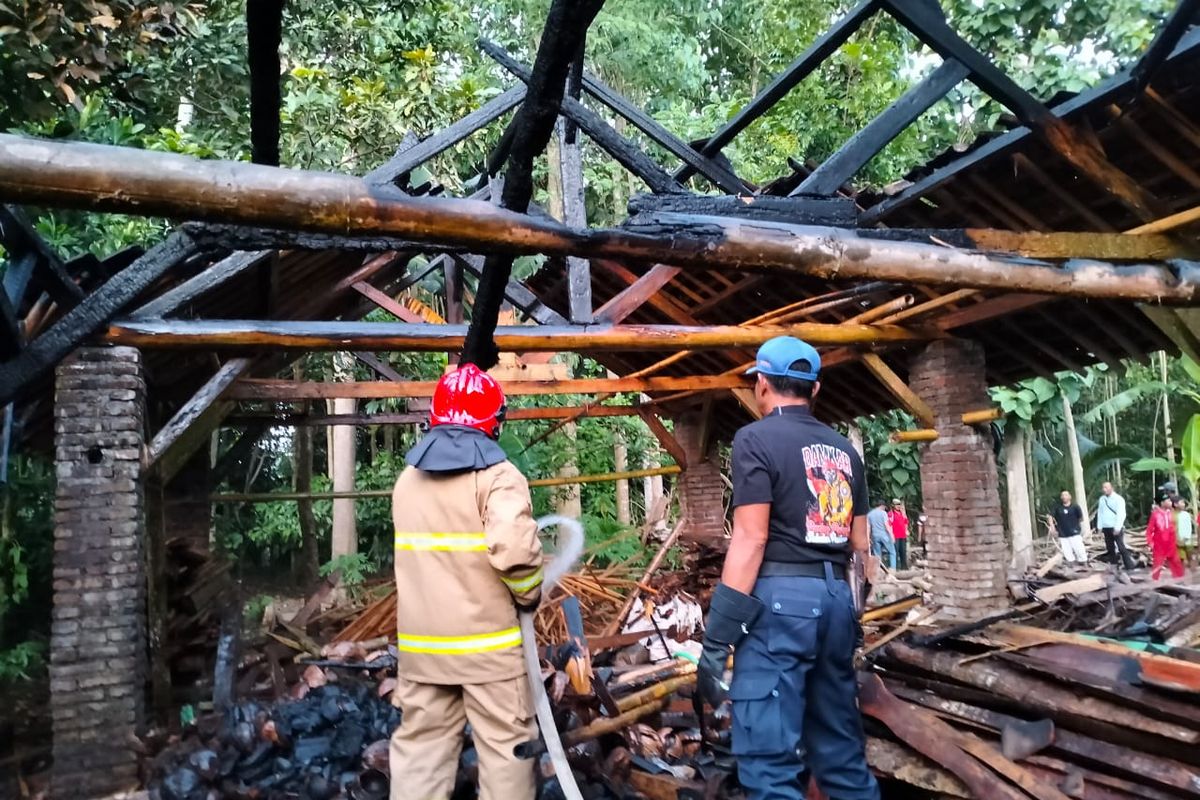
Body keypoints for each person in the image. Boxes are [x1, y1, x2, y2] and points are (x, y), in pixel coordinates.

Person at [696, 336, 879, 800]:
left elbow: (752, 537)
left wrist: (717, 640)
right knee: (840, 751)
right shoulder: (844, 451)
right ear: (814, 389)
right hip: (837, 598)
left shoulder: (754, 440)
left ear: (761, 384)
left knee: (770, 763)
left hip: (781, 605)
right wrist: (850, 616)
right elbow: (861, 547)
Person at [388, 364, 545, 800]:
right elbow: (516, 555)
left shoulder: (407, 482)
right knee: (505, 750)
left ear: (435, 418)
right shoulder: (498, 478)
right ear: (494, 420)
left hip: (422, 651)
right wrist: (529, 594)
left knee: (421, 750)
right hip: (488, 652)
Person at [1096, 482, 1135, 571]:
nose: (1104, 489)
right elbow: (1100, 513)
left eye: (1106, 487)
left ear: (1111, 488)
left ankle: (1130, 566)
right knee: (1110, 547)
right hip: (1106, 526)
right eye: (1103, 487)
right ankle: (1114, 565)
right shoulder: (1102, 499)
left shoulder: (1118, 499)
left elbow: (1121, 514)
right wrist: (1099, 527)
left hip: (1115, 526)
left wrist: (1117, 527)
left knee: (1121, 547)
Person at [1146, 491, 1185, 581]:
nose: (1170, 502)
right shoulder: (1155, 514)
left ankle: (1180, 580)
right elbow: (1149, 530)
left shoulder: (1172, 513)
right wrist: (1150, 542)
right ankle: (1155, 582)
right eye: (1168, 501)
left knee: (1176, 563)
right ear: (1162, 503)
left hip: (1171, 543)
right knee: (1157, 564)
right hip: (1159, 544)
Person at [1049, 490, 1087, 566]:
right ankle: (1071, 563)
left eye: (1066, 495)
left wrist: (1074, 524)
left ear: (1070, 497)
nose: (1064, 497)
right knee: (1066, 550)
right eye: (1062, 495)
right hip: (1062, 532)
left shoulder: (1075, 506)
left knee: (1079, 548)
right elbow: (1050, 517)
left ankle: (1083, 561)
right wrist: (1052, 527)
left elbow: (1081, 518)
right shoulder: (1057, 507)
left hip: (1074, 531)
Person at [867, 499, 895, 570]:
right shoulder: (883, 513)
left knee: (877, 555)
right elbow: (887, 525)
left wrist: (868, 538)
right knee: (892, 552)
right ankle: (892, 569)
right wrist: (892, 535)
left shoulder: (870, 514)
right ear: (882, 506)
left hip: (875, 536)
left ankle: (879, 570)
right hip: (884, 536)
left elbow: (868, 527)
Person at [888, 498, 909, 571]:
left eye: (899, 504)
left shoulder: (902, 514)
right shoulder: (891, 514)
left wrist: (906, 530)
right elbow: (889, 525)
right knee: (895, 552)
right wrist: (891, 536)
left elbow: (906, 522)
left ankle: (904, 567)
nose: (898, 506)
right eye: (897, 505)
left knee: (903, 551)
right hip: (895, 536)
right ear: (893, 505)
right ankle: (896, 567)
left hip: (902, 535)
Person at [1174, 497, 1195, 568]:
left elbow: (1189, 527)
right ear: (1176, 504)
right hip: (1179, 541)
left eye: (1184, 502)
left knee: (1190, 558)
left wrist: (1187, 537)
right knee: (1182, 559)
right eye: (1181, 502)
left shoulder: (1186, 514)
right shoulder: (1173, 515)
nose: (1184, 504)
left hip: (1188, 540)